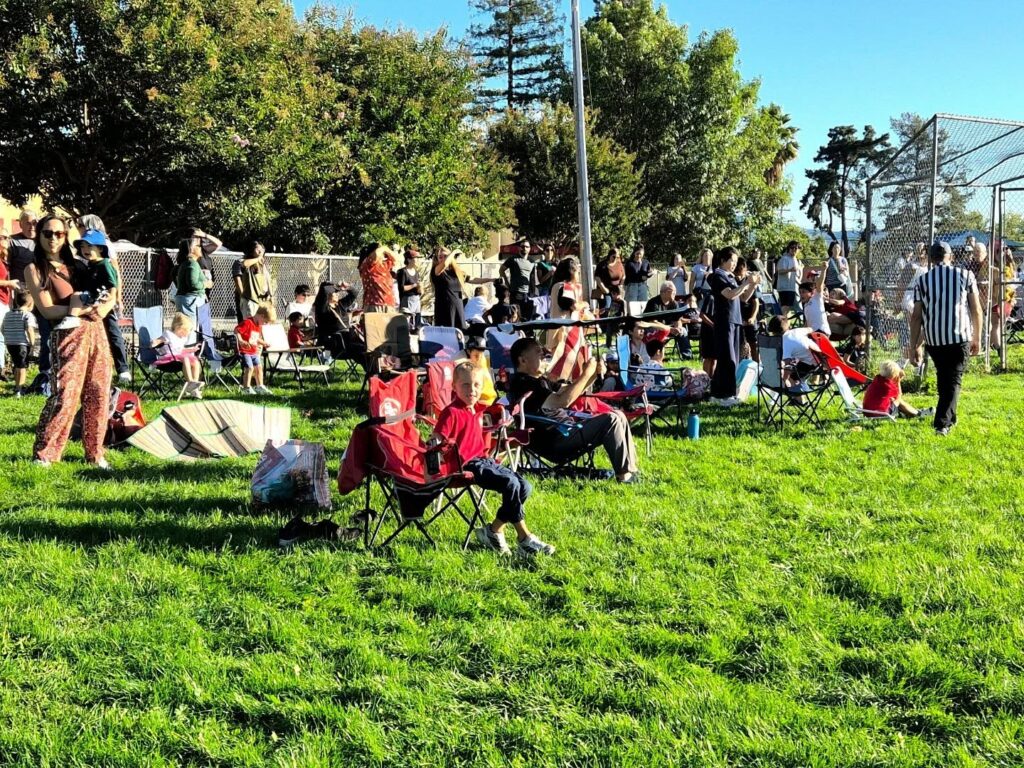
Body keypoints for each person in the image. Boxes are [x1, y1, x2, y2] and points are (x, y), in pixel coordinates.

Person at [432, 363, 554, 556]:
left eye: (476, 385)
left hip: (483, 459)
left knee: (525, 486)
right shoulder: (451, 411)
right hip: (465, 464)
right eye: (465, 385)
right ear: (454, 387)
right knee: (510, 484)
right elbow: (438, 435)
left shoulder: (477, 410)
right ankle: (524, 538)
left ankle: (493, 530)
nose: (471, 390)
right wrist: (433, 444)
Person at [25, 214, 115, 467]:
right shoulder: (35, 269)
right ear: (39, 235)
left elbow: (111, 285)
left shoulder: (80, 264)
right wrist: (79, 310)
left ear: (66, 237)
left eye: (59, 234)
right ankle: (46, 454)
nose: (53, 238)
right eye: (47, 233)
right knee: (65, 394)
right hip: (67, 334)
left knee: (98, 393)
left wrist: (106, 306)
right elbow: (47, 310)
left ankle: (95, 454)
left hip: (96, 331)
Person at [507, 337, 639, 483]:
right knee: (611, 419)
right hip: (554, 440)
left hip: (566, 430)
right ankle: (624, 476)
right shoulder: (524, 384)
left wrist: (593, 374)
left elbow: (571, 392)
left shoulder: (539, 380)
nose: (543, 354)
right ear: (523, 360)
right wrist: (586, 374)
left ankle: (631, 471)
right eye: (538, 352)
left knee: (619, 415)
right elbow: (563, 401)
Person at [909, 241, 982, 436]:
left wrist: (913, 345)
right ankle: (941, 424)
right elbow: (976, 309)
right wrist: (977, 337)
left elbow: (916, 316)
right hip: (959, 336)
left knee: (945, 378)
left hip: (934, 340)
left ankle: (951, 417)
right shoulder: (965, 275)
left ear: (932, 259)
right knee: (953, 380)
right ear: (951, 257)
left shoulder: (922, 281)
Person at [76, 216, 132, 382]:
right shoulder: (87, 257)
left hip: (104, 302)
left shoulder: (104, 256)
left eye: (80, 225)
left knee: (113, 331)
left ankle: (123, 369)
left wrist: (116, 298)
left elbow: (114, 277)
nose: (77, 227)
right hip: (89, 302)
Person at [708, 246, 760, 406]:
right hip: (725, 321)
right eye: (732, 260)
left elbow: (743, 298)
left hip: (736, 320)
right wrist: (745, 282)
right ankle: (725, 393)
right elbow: (729, 294)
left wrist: (752, 285)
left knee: (734, 358)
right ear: (723, 260)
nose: (734, 264)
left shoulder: (731, 277)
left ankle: (718, 392)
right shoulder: (716, 276)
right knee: (727, 358)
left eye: (736, 261)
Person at [153, 312, 204, 399]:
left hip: (178, 357)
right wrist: (154, 343)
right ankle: (190, 382)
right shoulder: (168, 334)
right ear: (180, 328)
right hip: (168, 358)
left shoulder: (182, 338)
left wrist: (192, 349)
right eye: (187, 330)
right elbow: (158, 341)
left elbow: (180, 350)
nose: (188, 333)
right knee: (186, 358)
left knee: (195, 360)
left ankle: (194, 386)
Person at [862, 360, 932, 419]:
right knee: (898, 400)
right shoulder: (887, 386)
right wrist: (898, 381)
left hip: (868, 411)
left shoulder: (877, 379)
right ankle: (918, 414)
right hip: (879, 414)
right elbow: (899, 395)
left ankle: (911, 412)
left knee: (891, 399)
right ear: (894, 375)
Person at [235, 303, 275, 395]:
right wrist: (241, 341)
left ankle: (260, 386)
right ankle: (246, 388)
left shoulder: (258, 326)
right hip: (245, 351)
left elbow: (255, 338)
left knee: (259, 367)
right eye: (265, 321)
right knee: (249, 368)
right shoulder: (248, 322)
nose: (264, 324)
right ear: (261, 316)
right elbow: (237, 330)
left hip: (253, 351)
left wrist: (264, 343)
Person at [2, 290, 36, 396]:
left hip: (10, 344)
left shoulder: (8, 314)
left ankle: (17, 386)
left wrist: (9, 337)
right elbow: (29, 329)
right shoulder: (27, 315)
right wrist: (32, 343)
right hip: (22, 344)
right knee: (22, 367)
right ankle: (19, 389)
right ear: (30, 304)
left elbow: (2, 329)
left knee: (17, 365)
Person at [174, 234, 210, 327]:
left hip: (187, 301)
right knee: (190, 331)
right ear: (191, 249)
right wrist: (206, 284)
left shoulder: (187, 263)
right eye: (198, 246)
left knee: (186, 330)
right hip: (191, 302)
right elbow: (193, 284)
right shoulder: (192, 264)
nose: (201, 248)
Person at [431, 247, 470, 329]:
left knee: (460, 333)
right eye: (440, 257)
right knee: (446, 333)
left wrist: (492, 279)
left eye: (445, 256)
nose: (443, 259)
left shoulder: (455, 272)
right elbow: (444, 264)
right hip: (444, 308)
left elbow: (472, 279)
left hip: (457, 306)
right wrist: (453, 253)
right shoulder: (436, 270)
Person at [233, 240, 272, 321]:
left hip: (261, 301)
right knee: (250, 325)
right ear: (251, 250)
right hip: (250, 300)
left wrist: (270, 295)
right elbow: (244, 265)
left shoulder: (263, 264)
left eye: (262, 249)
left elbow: (267, 279)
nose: (260, 251)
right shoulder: (241, 262)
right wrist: (242, 296)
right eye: (257, 249)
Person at [499, 239, 536, 320]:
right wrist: (507, 284)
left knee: (526, 317)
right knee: (514, 316)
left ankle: (525, 332)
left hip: (527, 294)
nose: (524, 248)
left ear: (530, 249)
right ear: (519, 248)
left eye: (527, 247)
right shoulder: (513, 259)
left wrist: (533, 292)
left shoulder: (532, 261)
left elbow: (532, 278)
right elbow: (501, 270)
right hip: (515, 293)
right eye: (522, 246)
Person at [358, 243, 398, 312]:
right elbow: (376, 254)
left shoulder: (384, 265)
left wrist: (386, 249)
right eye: (382, 253)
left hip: (389, 304)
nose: (383, 255)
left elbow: (395, 258)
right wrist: (384, 248)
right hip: (375, 304)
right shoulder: (368, 264)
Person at [0, 228, 19, 375]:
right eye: (2, 237)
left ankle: (3, 366)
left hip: (6, 301)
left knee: (4, 334)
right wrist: (9, 283)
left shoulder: (5, 260)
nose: (5, 240)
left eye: (7, 237)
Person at [735, 259, 760, 363]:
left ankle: (757, 366)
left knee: (753, 343)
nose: (740, 272)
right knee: (738, 344)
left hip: (749, 315)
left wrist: (753, 317)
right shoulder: (732, 281)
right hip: (737, 315)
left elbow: (756, 302)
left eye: (742, 268)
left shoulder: (750, 280)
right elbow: (741, 297)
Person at [464, 336, 497, 406]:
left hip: (492, 399)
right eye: (476, 355)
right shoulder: (462, 364)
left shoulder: (483, 358)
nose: (479, 357)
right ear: (468, 352)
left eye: (481, 353)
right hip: (479, 402)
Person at [594, 247, 625, 317]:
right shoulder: (602, 265)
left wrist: (620, 287)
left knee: (615, 312)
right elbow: (597, 277)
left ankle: (613, 327)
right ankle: (603, 326)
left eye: (617, 257)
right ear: (610, 255)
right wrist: (603, 288)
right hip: (605, 291)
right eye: (614, 257)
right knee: (606, 309)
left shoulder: (619, 264)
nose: (615, 259)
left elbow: (623, 276)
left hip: (616, 292)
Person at [798, 266, 829, 335]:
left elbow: (820, 284)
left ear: (812, 293)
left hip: (821, 332)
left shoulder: (816, 298)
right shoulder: (806, 305)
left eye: (803, 292)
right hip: (812, 332)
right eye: (800, 292)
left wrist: (824, 269)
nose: (801, 294)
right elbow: (808, 322)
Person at [396, 249, 422, 329]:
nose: (417, 260)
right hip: (407, 300)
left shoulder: (416, 272)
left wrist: (420, 288)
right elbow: (402, 288)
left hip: (416, 299)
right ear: (409, 259)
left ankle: (417, 329)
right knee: (406, 321)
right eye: (416, 258)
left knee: (417, 321)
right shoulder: (402, 272)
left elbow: (419, 288)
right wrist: (414, 285)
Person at [776, 240, 803, 315]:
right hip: (784, 287)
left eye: (796, 248)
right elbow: (780, 271)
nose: (794, 249)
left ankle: (784, 322)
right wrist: (790, 270)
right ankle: (782, 323)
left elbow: (796, 275)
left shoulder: (795, 260)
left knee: (788, 308)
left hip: (792, 287)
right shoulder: (784, 258)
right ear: (788, 248)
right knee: (785, 308)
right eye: (792, 247)